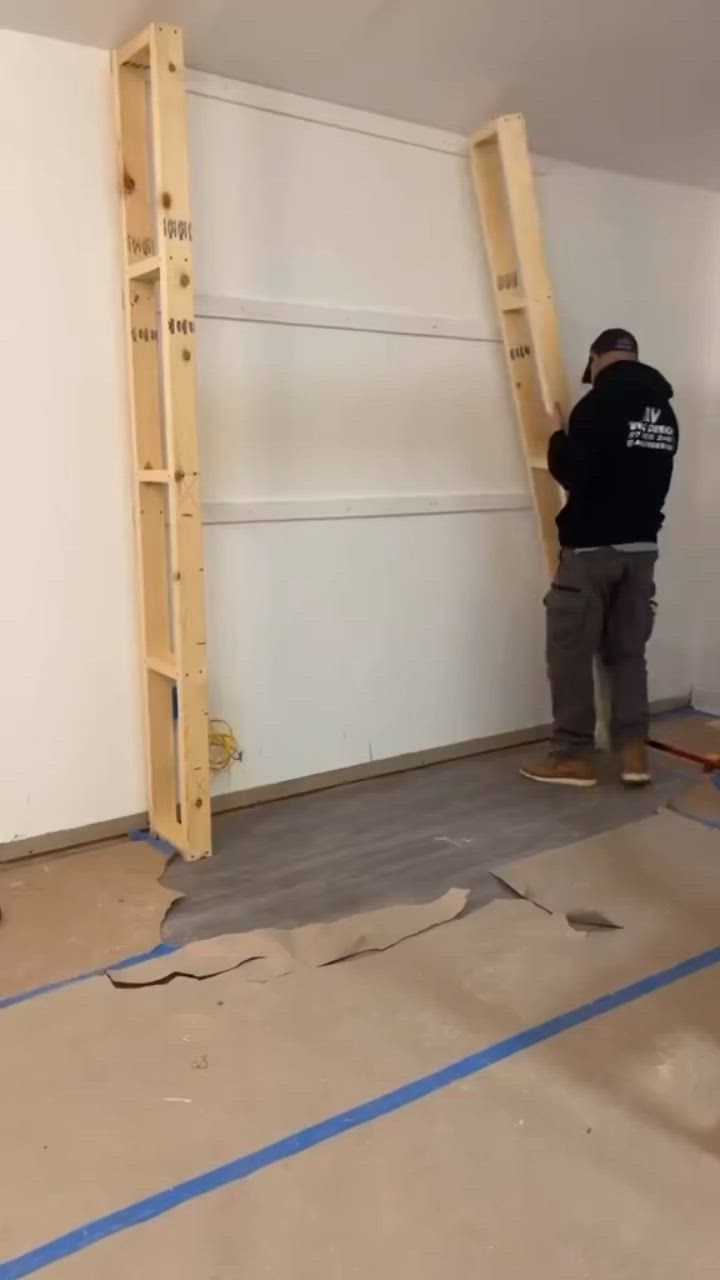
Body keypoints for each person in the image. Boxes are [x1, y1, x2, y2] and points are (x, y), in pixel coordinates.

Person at [521, 328, 679, 788]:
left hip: (592, 552)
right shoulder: (664, 413)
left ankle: (572, 757)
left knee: (570, 653)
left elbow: (574, 473)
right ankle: (634, 756)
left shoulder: (594, 406)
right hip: (642, 551)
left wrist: (555, 434)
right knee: (628, 654)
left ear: (594, 361)